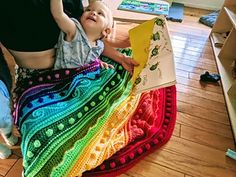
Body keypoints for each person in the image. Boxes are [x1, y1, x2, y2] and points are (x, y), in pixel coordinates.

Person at [0, 0, 136, 158]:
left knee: (113, 92)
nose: (92, 13)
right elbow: (60, 15)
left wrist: (119, 58)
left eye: (99, 13)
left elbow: (93, 43)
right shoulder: (73, 28)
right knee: (40, 127)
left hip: (72, 74)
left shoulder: (93, 37)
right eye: (90, 10)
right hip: (36, 78)